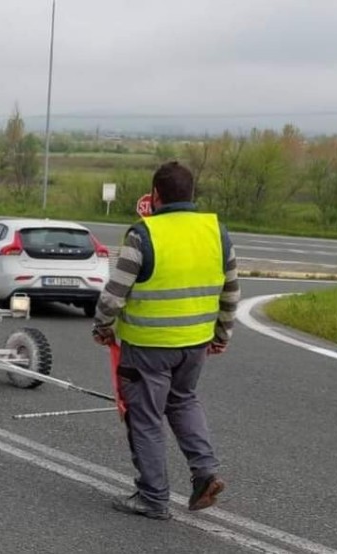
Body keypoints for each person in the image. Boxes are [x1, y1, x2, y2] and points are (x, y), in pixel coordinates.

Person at [91, 161, 240, 520]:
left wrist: (102, 326)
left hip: (147, 345)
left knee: (145, 418)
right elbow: (231, 291)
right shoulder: (215, 231)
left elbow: (114, 293)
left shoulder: (143, 235)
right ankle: (204, 473)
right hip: (194, 344)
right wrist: (222, 334)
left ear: (155, 195)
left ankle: (153, 498)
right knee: (184, 402)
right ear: (191, 194)